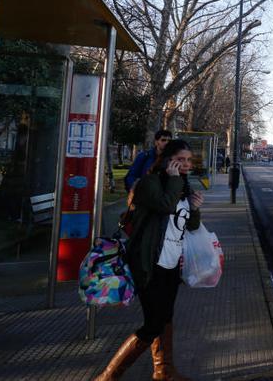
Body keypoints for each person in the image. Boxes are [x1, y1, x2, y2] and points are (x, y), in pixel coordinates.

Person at [95, 139, 203, 381]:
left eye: (189, 160)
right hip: (148, 262)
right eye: (181, 159)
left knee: (165, 317)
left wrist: (194, 208)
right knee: (153, 323)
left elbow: (189, 225)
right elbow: (164, 205)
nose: (186, 164)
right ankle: (107, 377)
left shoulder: (182, 185)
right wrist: (175, 180)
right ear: (168, 159)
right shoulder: (149, 183)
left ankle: (164, 371)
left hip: (172, 264)